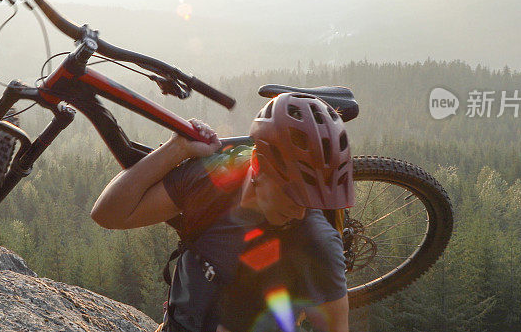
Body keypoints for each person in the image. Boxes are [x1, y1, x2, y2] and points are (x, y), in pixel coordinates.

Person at [91, 92, 354, 332]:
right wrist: (176, 149)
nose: (300, 214)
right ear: (257, 163)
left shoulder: (317, 243)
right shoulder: (211, 181)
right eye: (293, 198)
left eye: (311, 201)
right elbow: (108, 213)